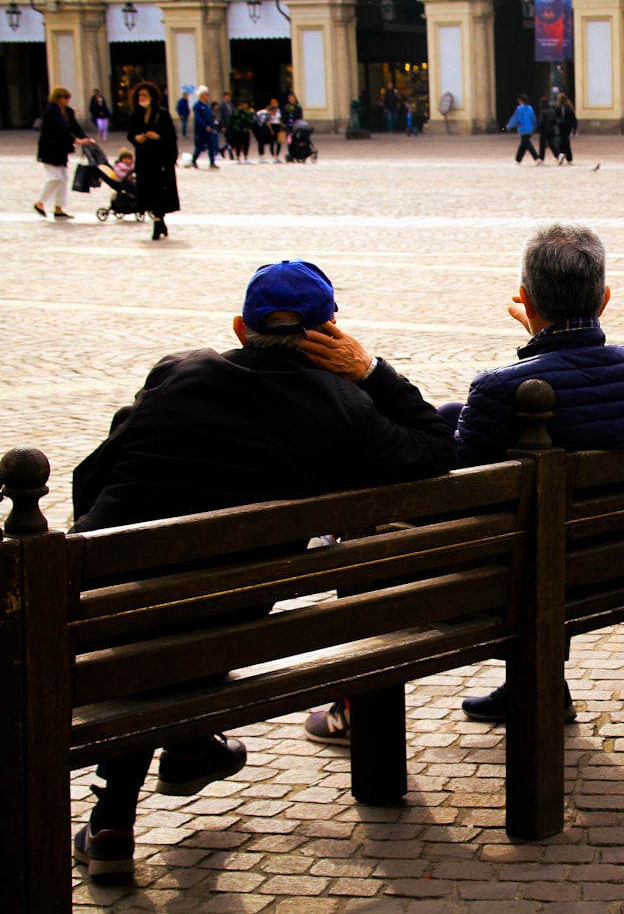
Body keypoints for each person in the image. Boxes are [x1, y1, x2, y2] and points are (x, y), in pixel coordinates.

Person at [71, 259, 457, 878]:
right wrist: (371, 372)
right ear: (330, 333)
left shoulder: (178, 372)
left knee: (159, 630)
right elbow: (438, 448)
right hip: (227, 620)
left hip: (94, 614)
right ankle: (182, 753)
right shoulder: (342, 406)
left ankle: (119, 816)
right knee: (192, 626)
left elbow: (91, 479)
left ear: (238, 327)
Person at [300, 224, 624, 742]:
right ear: (604, 299)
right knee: (456, 419)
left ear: (526, 300)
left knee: (369, 547)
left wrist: (374, 375)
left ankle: (357, 712)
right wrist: (542, 335)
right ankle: (541, 686)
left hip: (519, 581)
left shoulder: (501, 388)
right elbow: (575, 380)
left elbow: (452, 492)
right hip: (609, 561)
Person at [126, 80, 179, 240]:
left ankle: (157, 224)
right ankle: (159, 221)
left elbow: (171, 137)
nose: (141, 98)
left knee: (159, 192)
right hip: (143, 160)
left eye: (144, 95)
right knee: (148, 192)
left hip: (160, 160)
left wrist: (158, 137)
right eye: (139, 95)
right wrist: (137, 138)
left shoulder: (162, 113)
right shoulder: (136, 114)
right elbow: (130, 134)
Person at [34, 85, 93, 219]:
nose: (67, 101)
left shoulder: (68, 112)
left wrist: (84, 138)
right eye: (64, 98)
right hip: (49, 149)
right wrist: (74, 140)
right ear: (57, 98)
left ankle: (59, 208)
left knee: (63, 179)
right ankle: (40, 203)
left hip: (61, 150)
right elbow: (58, 130)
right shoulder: (51, 112)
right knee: (55, 178)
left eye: (68, 98)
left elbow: (75, 127)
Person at [506, 94, 541, 164]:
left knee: (528, 144)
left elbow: (516, 118)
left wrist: (509, 126)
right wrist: (534, 127)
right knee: (523, 145)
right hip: (530, 129)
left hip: (523, 129)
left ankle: (537, 158)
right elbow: (533, 118)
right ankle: (518, 159)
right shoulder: (530, 108)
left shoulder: (519, 108)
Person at [190, 85, 218, 169]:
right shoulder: (197, 105)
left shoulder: (207, 106)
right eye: (206, 94)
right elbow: (198, 118)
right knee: (199, 146)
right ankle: (193, 160)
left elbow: (209, 117)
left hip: (208, 129)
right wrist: (205, 126)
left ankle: (212, 162)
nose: (208, 96)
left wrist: (212, 128)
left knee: (211, 146)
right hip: (200, 130)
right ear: (201, 95)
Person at [555, 92, 577, 165]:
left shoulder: (559, 108)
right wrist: (574, 128)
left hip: (562, 126)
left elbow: (556, 117)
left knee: (564, 141)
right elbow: (573, 119)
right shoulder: (569, 107)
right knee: (564, 140)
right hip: (568, 127)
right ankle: (564, 156)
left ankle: (565, 156)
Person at [230, 98, 253, 163]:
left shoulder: (247, 113)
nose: (246, 105)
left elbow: (249, 122)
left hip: (245, 131)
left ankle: (246, 157)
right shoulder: (235, 112)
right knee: (238, 144)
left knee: (246, 144)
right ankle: (238, 157)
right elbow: (232, 121)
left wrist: (250, 130)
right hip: (237, 131)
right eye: (244, 104)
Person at [537, 97, 559, 163]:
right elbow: (555, 121)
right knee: (551, 143)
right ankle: (558, 154)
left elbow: (541, 122)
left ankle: (541, 158)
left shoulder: (542, 112)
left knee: (542, 145)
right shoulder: (552, 111)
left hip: (544, 130)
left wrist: (538, 128)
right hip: (551, 129)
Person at [218, 89, 235, 159]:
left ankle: (222, 149)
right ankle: (230, 154)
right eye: (227, 96)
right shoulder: (221, 105)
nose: (229, 98)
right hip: (226, 125)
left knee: (231, 140)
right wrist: (222, 126)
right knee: (229, 140)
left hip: (231, 125)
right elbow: (221, 116)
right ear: (224, 97)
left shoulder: (231, 104)